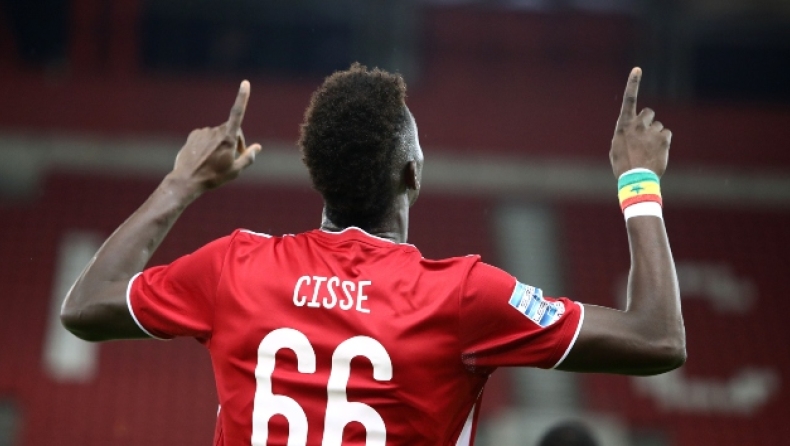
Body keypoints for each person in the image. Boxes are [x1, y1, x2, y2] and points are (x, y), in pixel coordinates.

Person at [61, 64, 685, 445]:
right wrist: (639, 182)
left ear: (320, 174)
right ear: (412, 173)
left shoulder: (235, 268)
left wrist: (182, 182)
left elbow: (85, 307)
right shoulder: (461, 296)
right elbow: (657, 338)